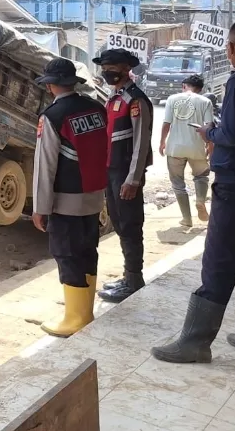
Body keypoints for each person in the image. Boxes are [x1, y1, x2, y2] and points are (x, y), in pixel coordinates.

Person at [152, 19, 235, 363]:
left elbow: (234, 135)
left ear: (231, 48)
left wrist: (211, 133)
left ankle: (195, 342)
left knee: (219, 260)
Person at [31, 58, 110, 337]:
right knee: (88, 250)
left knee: (67, 254)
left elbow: (45, 167)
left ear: (51, 85)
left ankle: (75, 318)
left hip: (66, 200)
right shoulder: (96, 108)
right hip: (93, 196)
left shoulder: (52, 116)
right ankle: (86, 311)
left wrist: (40, 208)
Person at [94, 48, 154, 304]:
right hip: (111, 171)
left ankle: (134, 279)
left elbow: (141, 144)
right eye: (105, 66)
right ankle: (128, 275)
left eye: (113, 66)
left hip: (125, 173)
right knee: (118, 223)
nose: (107, 71)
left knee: (130, 225)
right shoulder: (113, 97)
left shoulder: (135, 100)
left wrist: (133, 179)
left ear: (126, 68)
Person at [159, 74, 214, 228]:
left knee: (178, 183)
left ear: (183, 86)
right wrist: (210, 144)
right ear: (201, 89)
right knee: (202, 176)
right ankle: (200, 200)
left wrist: (162, 142)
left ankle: (186, 218)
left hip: (175, 148)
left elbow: (166, 123)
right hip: (197, 147)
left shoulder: (172, 99)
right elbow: (208, 126)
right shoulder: (206, 101)